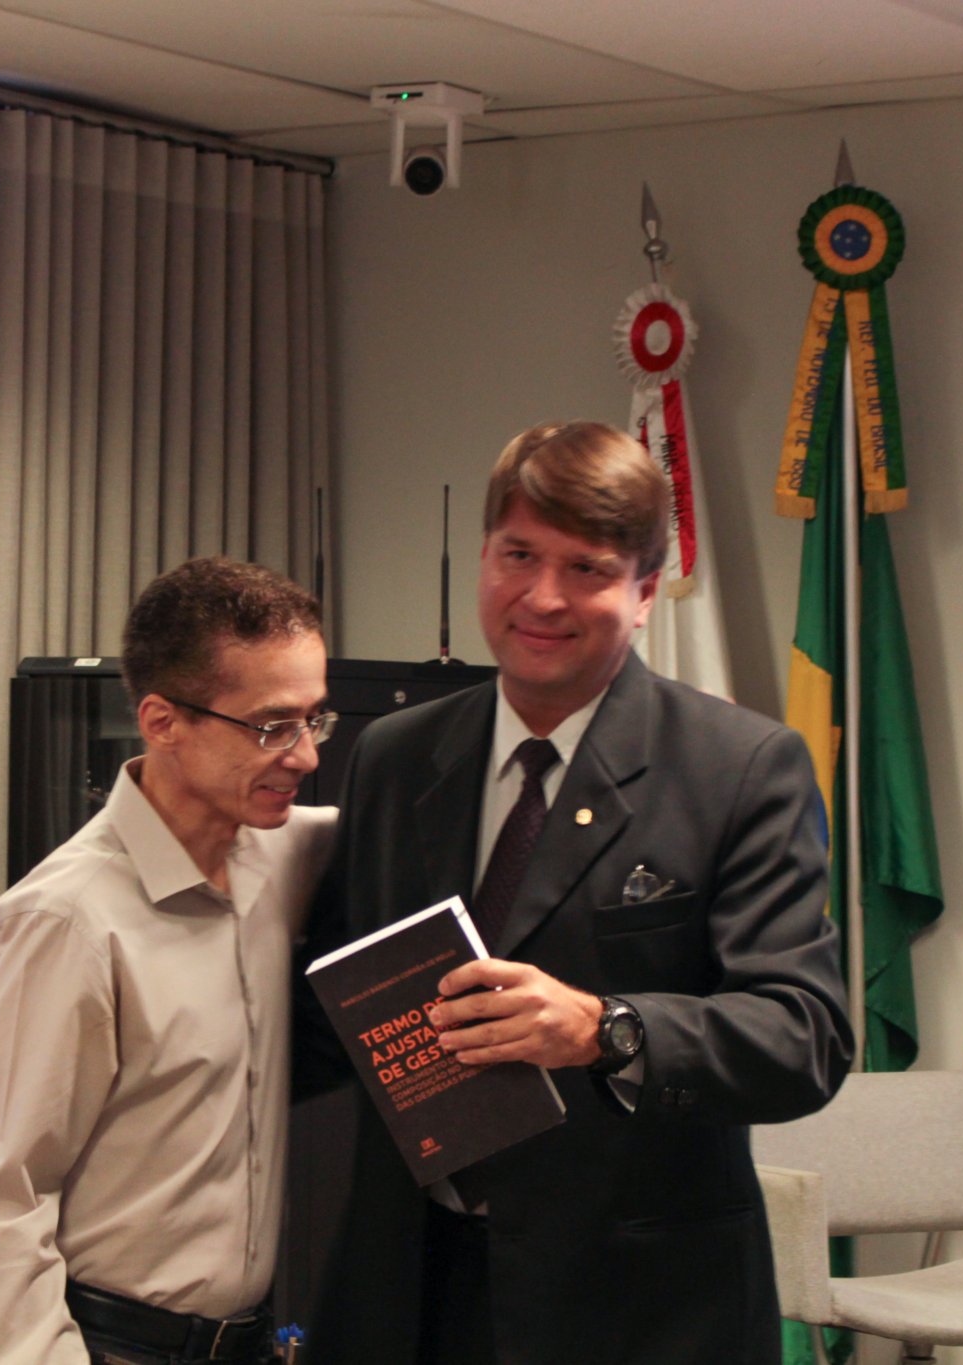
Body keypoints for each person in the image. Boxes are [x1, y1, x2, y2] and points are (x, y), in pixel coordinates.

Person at [300, 422, 852, 1365]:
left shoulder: (741, 767)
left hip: (639, 1309)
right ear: (485, 556)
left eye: (587, 568)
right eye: (519, 555)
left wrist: (606, 1027)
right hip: (407, 1291)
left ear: (645, 592)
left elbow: (805, 1037)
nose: (544, 596)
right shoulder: (393, 756)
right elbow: (328, 1003)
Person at [0, 557, 339, 1365]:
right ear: (162, 721)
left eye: (314, 719)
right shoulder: (66, 919)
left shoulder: (287, 855)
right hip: (120, 1345)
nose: (304, 755)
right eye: (272, 726)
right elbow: (2, 1200)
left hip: (256, 1340)